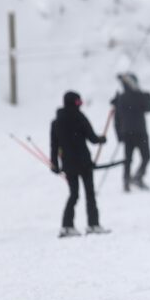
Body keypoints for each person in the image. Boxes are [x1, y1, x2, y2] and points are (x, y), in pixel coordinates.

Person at [50, 91, 109, 238]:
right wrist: (102, 139)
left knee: (74, 194)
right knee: (90, 194)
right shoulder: (79, 117)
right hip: (84, 163)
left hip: (68, 165)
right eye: (78, 102)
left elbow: (54, 146)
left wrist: (54, 164)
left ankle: (67, 226)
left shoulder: (56, 122)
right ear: (74, 103)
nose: (80, 105)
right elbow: (92, 138)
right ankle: (93, 224)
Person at [111, 72, 150, 192]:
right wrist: (148, 97)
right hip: (139, 132)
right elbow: (148, 107)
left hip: (128, 133)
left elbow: (117, 120)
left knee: (128, 159)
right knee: (145, 156)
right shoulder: (138, 96)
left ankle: (127, 181)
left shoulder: (121, 99)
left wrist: (119, 135)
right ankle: (136, 178)